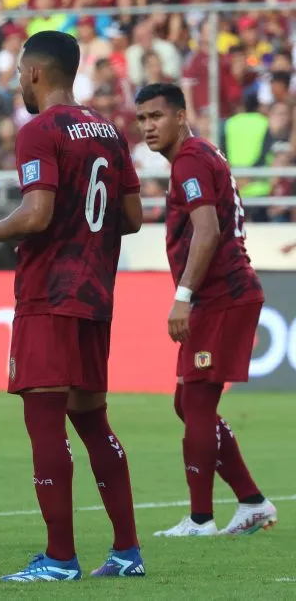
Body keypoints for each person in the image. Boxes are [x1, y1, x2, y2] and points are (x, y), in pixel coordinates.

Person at [0, 31, 146, 582]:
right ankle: (125, 553)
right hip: (95, 296)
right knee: (93, 421)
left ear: (37, 74)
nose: (19, 81)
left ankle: (61, 558)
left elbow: (37, 212)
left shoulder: (39, 131)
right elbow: (133, 217)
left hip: (49, 294)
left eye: (21, 72)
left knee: (45, 422)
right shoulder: (110, 133)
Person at [134, 82, 278, 537]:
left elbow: (207, 229)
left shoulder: (192, 159)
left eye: (156, 116)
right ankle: (252, 502)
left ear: (180, 116)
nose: (148, 127)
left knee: (195, 401)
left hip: (222, 296)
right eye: (142, 119)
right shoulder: (198, 155)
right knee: (188, 401)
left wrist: (184, 295)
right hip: (223, 294)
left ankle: (200, 519)